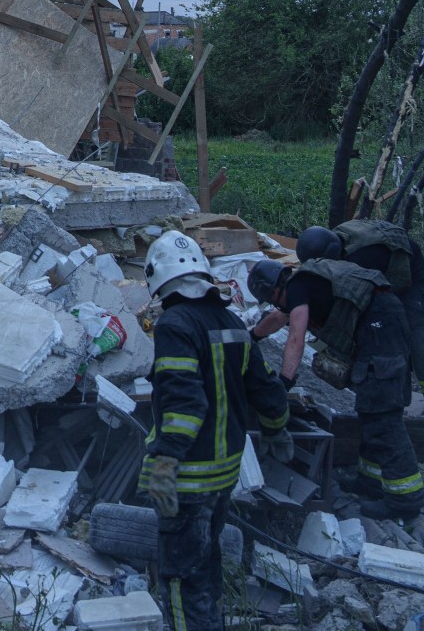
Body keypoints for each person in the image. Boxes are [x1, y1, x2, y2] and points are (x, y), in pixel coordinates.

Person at [142, 232, 290, 631]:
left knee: (179, 576)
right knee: (206, 567)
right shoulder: (230, 320)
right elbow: (266, 387)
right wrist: (278, 430)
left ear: (158, 280)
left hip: (188, 478)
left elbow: (185, 403)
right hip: (224, 475)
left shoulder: (174, 324)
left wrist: (165, 462)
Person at [248, 255, 422, 520]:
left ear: (275, 289)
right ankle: (371, 481)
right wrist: (251, 337)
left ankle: (405, 501)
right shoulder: (298, 287)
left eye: (272, 299)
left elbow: (295, 339)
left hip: (381, 329)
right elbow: (277, 318)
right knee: (368, 407)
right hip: (375, 326)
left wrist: (283, 383)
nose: (274, 304)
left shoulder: (297, 289)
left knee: (383, 414)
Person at [307, 221, 424, 445]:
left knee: (422, 345)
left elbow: (358, 303)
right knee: (382, 347)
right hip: (381, 284)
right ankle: (392, 415)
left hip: (410, 282)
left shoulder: (361, 258)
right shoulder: (332, 254)